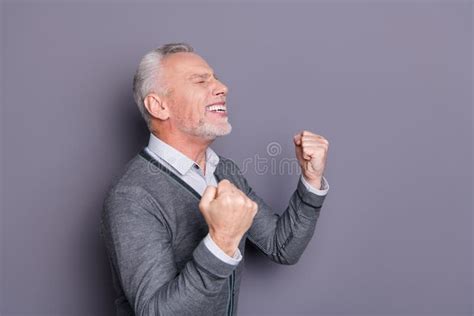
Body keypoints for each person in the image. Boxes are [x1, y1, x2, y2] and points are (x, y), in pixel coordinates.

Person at [101, 43, 330, 316]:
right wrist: (221, 241)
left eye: (215, 77)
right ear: (159, 106)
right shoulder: (133, 196)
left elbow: (283, 247)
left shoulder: (224, 172)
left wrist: (311, 180)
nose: (223, 87)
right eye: (200, 81)